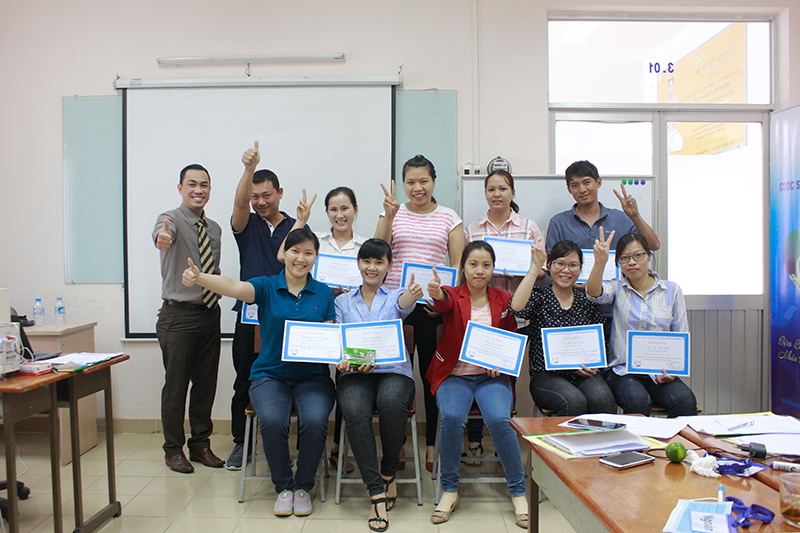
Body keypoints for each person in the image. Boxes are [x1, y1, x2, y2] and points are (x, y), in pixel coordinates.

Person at [183, 227, 335, 516]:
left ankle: (303, 486)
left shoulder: (324, 292)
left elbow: (328, 336)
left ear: (316, 257)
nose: (300, 258)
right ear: (284, 254)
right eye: (295, 251)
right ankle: (283, 487)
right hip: (270, 375)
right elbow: (232, 286)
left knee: (315, 421)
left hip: (313, 377)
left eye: (308, 252)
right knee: (273, 421)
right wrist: (200, 277)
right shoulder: (266, 286)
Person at [426, 241, 528, 528]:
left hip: (490, 377)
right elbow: (442, 302)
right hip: (455, 376)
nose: (479, 270)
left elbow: (510, 337)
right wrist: (435, 293)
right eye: (473, 264)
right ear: (463, 268)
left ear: (493, 268)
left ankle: (518, 491)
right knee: (453, 417)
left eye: (486, 265)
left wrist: (503, 362)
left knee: (498, 419)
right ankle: (449, 490)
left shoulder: (504, 297)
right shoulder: (452, 294)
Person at [374, 155, 465, 471]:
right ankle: (395, 445)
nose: (417, 188)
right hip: (395, 307)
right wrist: (388, 216)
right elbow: (377, 251)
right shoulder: (393, 215)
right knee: (394, 377)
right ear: (402, 185)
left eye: (423, 181)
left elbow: (458, 267)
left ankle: (431, 444)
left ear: (434, 182)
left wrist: (441, 299)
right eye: (410, 182)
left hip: (431, 310)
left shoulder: (448, 217)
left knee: (431, 378)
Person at [334, 238, 421, 531]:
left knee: (391, 403)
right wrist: (342, 360)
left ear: (388, 266)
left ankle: (387, 474)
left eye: (379, 262)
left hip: (393, 371)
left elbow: (405, 303)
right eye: (366, 261)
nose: (372, 267)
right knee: (355, 412)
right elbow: (337, 341)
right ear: (358, 264)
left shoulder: (394, 296)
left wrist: (413, 292)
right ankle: (375, 492)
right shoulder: (341, 301)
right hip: (354, 373)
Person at [226, 141, 300, 471]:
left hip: (287, 316)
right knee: (245, 378)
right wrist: (248, 170)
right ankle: (242, 443)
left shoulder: (296, 227)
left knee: (289, 378)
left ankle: (285, 441)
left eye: (266, 195)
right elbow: (240, 203)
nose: (260, 202)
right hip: (250, 316)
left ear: (279, 193)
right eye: (255, 196)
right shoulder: (247, 225)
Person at [462, 169, 544, 463]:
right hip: (479, 318)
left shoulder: (528, 227)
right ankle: (473, 438)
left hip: (514, 318)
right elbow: (464, 269)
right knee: (474, 375)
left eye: (503, 188)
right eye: (491, 189)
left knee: (502, 381)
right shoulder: (473, 229)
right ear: (485, 193)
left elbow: (541, 267)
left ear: (512, 192)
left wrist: (524, 270)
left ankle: (501, 439)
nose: (497, 194)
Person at [152, 163, 224, 473]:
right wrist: (161, 239)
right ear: (181, 188)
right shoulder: (171, 220)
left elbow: (213, 273)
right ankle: (173, 450)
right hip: (179, 316)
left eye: (204, 185)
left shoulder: (215, 229)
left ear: (210, 190)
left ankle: (200, 445)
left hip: (209, 314)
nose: (198, 190)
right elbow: (160, 234)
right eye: (192, 184)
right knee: (176, 386)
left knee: (206, 386)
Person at [586, 230, 697, 417]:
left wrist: (673, 370)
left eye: (638, 255)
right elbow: (593, 293)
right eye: (624, 258)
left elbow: (680, 335)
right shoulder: (617, 288)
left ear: (649, 257)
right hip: (623, 371)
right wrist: (599, 262)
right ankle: (637, 447)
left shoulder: (671, 290)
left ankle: (669, 445)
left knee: (685, 401)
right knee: (638, 401)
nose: (631, 262)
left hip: (660, 372)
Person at [510, 236, 617, 416]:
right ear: (550, 265)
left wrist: (595, 366)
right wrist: (536, 266)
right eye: (560, 264)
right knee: (573, 402)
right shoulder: (540, 298)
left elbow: (600, 341)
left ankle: (595, 444)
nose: (566, 270)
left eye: (573, 265)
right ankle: (563, 445)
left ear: (580, 269)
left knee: (603, 401)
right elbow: (517, 308)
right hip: (546, 376)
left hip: (583, 373)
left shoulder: (588, 300)